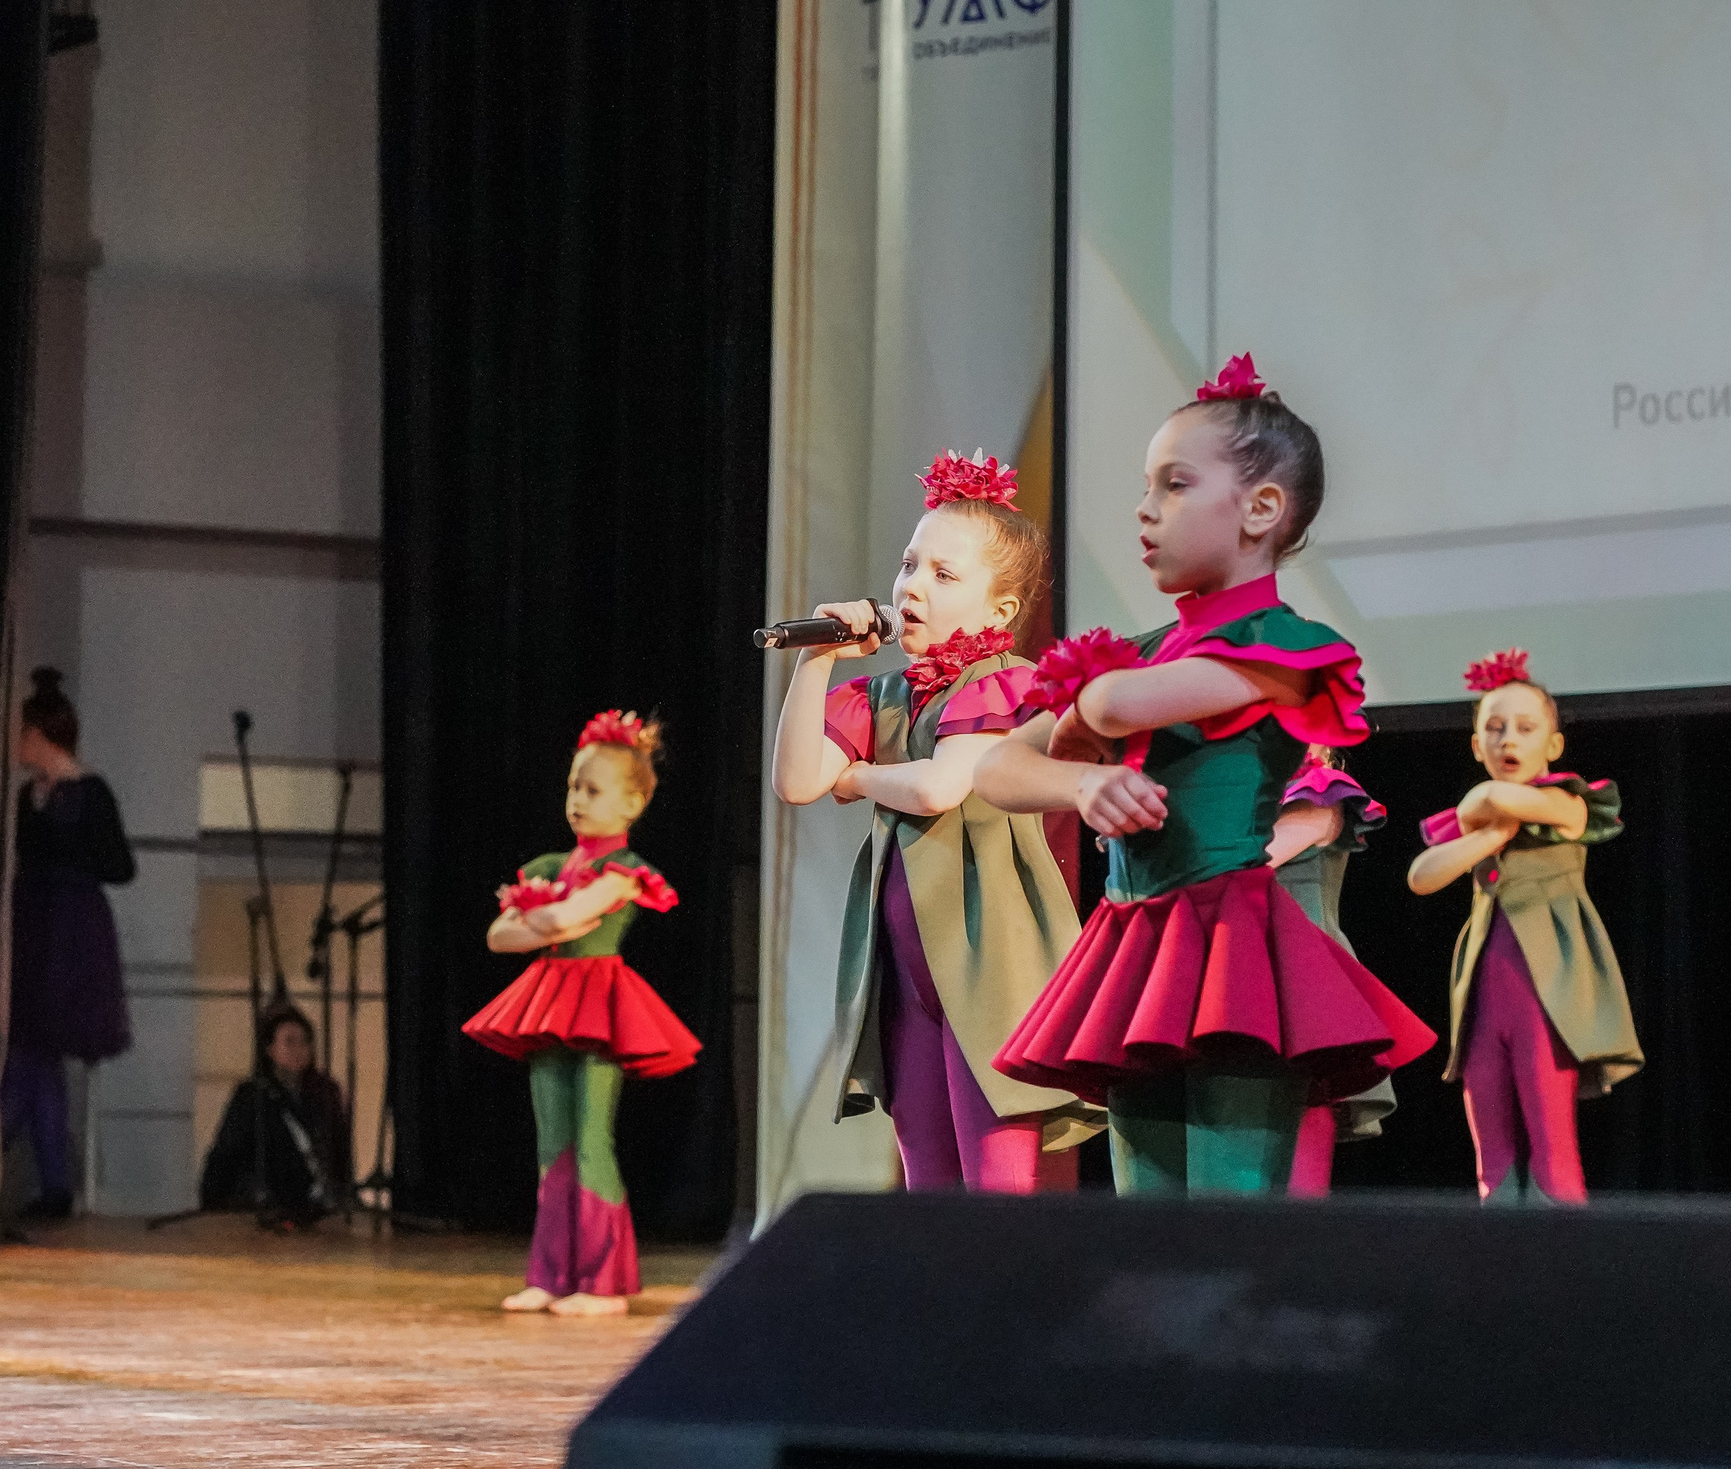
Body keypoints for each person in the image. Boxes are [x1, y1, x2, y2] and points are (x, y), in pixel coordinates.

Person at [978, 355, 1435, 1195]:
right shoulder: (1147, 647)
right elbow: (998, 763)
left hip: (1231, 951)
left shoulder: (1286, 649)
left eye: (1176, 484)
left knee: (1231, 1216)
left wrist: (1089, 714)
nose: (1146, 509)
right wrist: (1079, 785)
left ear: (1261, 508)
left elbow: (1116, 706)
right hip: (1133, 945)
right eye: (1147, 485)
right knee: (1145, 1223)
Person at [769, 450, 1095, 1191]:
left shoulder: (1002, 681)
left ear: (1000, 611)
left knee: (994, 1178)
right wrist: (817, 660)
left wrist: (854, 775)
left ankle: (1004, 1309)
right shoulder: (886, 693)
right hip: (910, 975)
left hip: (990, 960)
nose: (912, 586)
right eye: (911, 564)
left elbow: (943, 785)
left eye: (943, 576)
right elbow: (796, 781)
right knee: (927, 1177)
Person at [463, 711, 698, 1316]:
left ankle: (603, 1282)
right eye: (574, 786)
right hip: (550, 1001)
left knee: (592, 1137)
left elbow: (563, 921)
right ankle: (550, 1274)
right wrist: (543, 920)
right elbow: (499, 936)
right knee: (553, 1141)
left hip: (599, 1003)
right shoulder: (549, 867)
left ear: (632, 803)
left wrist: (544, 920)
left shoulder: (624, 870)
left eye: (592, 790)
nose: (577, 799)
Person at [1406, 649, 1642, 1206]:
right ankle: (1499, 1267)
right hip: (1484, 1002)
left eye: (1524, 727)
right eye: (1493, 728)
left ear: (1553, 746)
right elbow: (1421, 876)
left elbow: (1494, 796)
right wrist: (1486, 838)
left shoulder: (1566, 801)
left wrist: (1480, 810)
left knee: (1552, 1149)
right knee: (1491, 1155)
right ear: (1475, 746)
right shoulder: (1483, 825)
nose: (1508, 739)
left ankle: (1565, 1273)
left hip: (1547, 994)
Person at [4, 667, 135, 1218]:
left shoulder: (91, 793)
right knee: (37, 1051)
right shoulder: (23, 796)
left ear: (40, 735)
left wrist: (69, 863)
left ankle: (5, 1164)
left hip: (72, 928)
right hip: (34, 924)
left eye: (23, 732)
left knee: (36, 1050)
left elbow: (120, 866)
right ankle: (52, 1184)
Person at [1266, 744, 1395, 1195]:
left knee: (1299, 1169)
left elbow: (1243, 861)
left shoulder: (1320, 793)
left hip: (1305, 981)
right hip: (1242, 975)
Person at [198, 1005, 350, 1227]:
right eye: (289, 1041)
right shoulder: (252, 1095)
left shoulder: (325, 1092)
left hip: (317, 1209)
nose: (299, 1049)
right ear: (270, 1049)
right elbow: (227, 1153)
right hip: (271, 1206)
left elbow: (339, 1150)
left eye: (305, 1041)